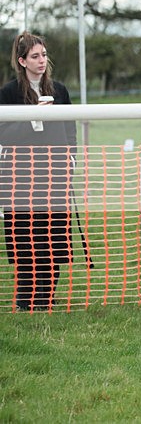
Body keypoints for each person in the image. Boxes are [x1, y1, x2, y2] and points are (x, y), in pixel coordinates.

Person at [0, 32, 77, 311]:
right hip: (21, 177)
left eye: (44, 55)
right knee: (25, 238)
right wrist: (33, 115)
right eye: (35, 56)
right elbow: (4, 134)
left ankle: (47, 296)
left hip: (55, 175)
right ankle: (26, 299)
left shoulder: (60, 90)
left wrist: (72, 159)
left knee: (53, 237)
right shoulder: (8, 93)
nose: (41, 60)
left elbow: (70, 129)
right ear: (22, 61)